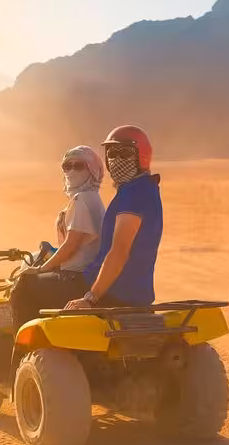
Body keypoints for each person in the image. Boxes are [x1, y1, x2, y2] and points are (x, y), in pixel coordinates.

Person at [65, 125, 163, 310]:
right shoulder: (143, 188)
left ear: (141, 155)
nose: (117, 159)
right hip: (128, 289)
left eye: (124, 153)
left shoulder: (135, 193)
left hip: (114, 291)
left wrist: (91, 298)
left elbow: (119, 251)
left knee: (27, 288)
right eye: (112, 153)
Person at [10, 145, 106, 331]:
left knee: (23, 286)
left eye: (78, 166)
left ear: (92, 170)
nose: (71, 171)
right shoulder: (93, 197)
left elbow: (71, 244)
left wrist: (42, 268)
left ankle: (22, 350)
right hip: (85, 275)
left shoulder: (81, 200)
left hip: (75, 277)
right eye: (66, 166)